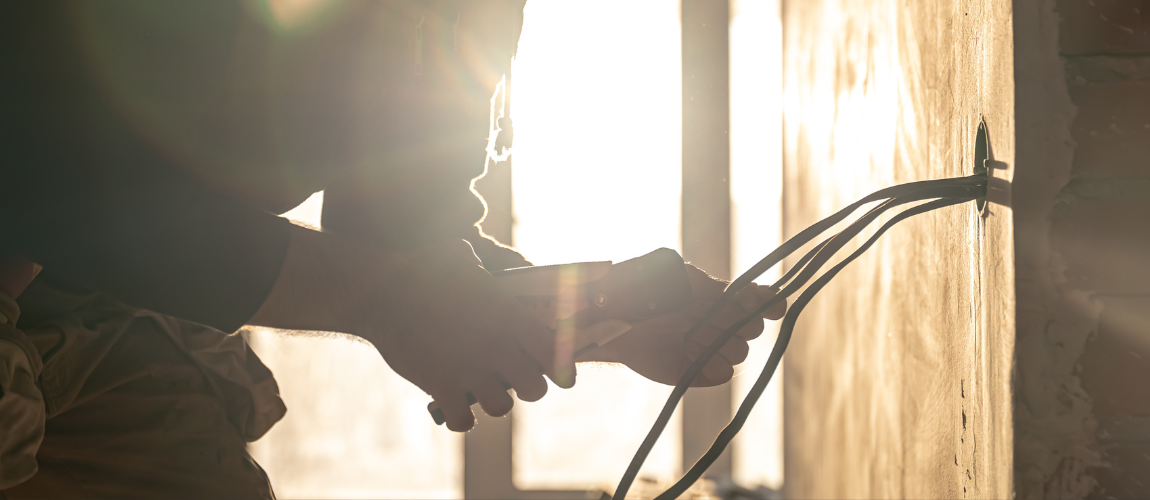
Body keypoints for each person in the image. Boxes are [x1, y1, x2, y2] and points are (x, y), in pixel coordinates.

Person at [0, 2, 786, 497]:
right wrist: (389, 302)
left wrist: (608, 315)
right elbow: (48, 188)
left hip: (100, 308)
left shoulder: (469, 21)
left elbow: (407, 258)